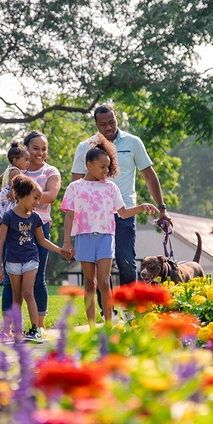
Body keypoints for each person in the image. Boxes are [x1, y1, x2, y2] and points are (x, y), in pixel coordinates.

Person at [71, 105, 171, 301]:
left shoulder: (133, 143)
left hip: (124, 213)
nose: (108, 128)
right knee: (101, 268)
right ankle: (108, 311)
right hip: (94, 218)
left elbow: (149, 176)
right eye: (103, 124)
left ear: (117, 119)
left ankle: (130, 310)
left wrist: (162, 208)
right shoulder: (85, 147)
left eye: (112, 122)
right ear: (96, 124)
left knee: (126, 262)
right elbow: (76, 182)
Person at [62, 136, 158, 326]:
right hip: (84, 237)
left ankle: (108, 325)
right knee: (90, 283)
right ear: (89, 165)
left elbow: (122, 213)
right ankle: (91, 327)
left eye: (108, 166)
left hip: (106, 237)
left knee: (104, 283)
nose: (106, 171)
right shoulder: (75, 187)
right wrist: (66, 242)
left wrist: (142, 206)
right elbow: (69, 216)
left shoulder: (111, 188)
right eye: (102, 167)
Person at [0, 130, 62, 336]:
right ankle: (7, 328)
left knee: (37, 280)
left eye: (44, 149)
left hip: (39, 225)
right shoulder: (17, 170)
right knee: (11, 281)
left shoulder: (51, 171)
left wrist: (25, 194)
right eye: (35, 148)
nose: (40, 152)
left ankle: (40, 325)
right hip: (14, 227)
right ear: (26, 149)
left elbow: (51, 196)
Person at [0, 175, 66, 343]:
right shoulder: (9, 217)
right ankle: (18, 331)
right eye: (35, 198)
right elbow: (0, 241)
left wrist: (60, 250)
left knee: (28, 292)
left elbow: (42, 241)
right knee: (16, 296)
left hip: (31, 259)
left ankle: (35, 329)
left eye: (39, 199)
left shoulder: (35, 217)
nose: (37, 202)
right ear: (24, 195)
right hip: (12, 261)